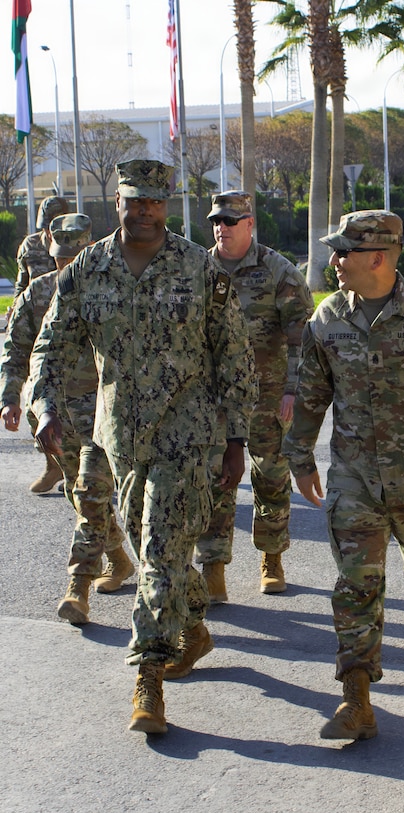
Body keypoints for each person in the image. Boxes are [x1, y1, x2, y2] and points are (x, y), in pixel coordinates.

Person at [30, 160, 257, 735]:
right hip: (121, 437)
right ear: (119, 204)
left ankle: (148, 677)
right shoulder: (89, 268)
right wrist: (45, 405)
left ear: (167, 205)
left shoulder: (198, 268)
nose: (145, 212)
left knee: (158, 549)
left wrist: (236, 438)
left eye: (155, 202)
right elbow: (50, 343)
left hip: (187, 432)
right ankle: (194, 628)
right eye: (135, 201)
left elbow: (234, 353)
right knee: (156, 546)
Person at [283, 210, 404, 741]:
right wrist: (299, 458)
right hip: (355, 477)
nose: (334, 260)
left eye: (343, 252)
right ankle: (356, 698)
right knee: (355, 584)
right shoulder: (328, 316)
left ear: (377, 257)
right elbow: (311, 394)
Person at [1, 213, 135, 625]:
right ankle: (119, 557)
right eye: (60, 257)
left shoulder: (113, 288)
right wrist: (10, 398)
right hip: (56, 414)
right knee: (79, 494)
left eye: (73, 256)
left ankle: (78, 587)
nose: (66, 265)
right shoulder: (39, 292)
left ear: (89, 247)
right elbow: (17, 347)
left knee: (91, 493)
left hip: (103, 412)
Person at [195, 190, 313, 600]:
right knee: (215, 477)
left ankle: (271, 558)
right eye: (216, 221)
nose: (221, 228)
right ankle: (212, 567)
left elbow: (302, 339)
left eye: (229, 221)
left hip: (269, 394)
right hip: (215, 396)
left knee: (271, 477)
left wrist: (293, 390)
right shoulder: (199, 268)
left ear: (249, 224)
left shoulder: (278, 271)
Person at [12, 195, 70, 494]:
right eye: (46, 226)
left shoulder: (77, 242)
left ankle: (80, 470)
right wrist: (17, 307)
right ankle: (53, 465)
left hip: (72, 332)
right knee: (38, 400)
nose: (48, 232)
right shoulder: (30, 246)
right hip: (39, 325)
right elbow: (22, 282)